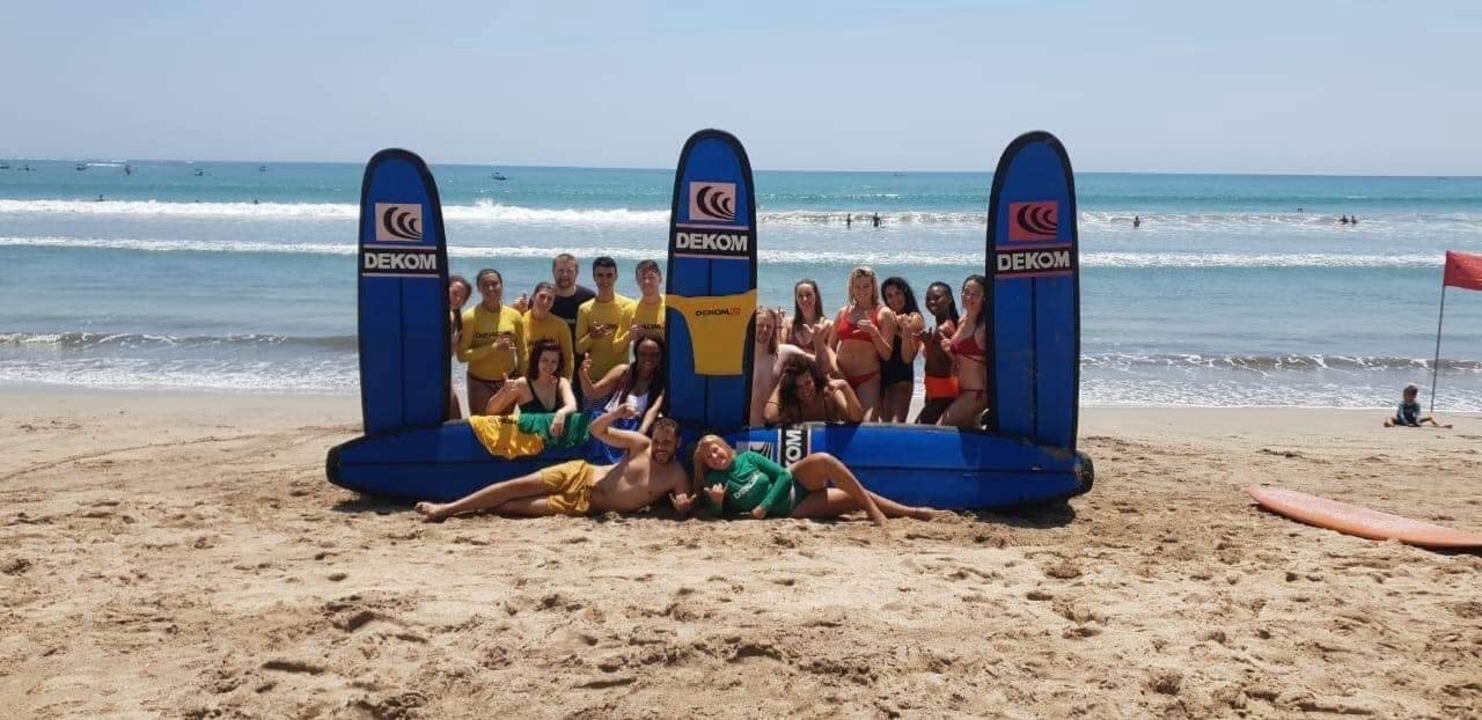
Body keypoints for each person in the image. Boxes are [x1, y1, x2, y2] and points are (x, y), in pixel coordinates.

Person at [414, 412, 691, 521]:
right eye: (659, 441)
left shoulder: (677, 474)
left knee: (509, 507)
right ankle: (446, 509)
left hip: (585, 506)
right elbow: (596, 430)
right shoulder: (641, 445)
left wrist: (682, 506)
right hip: (580, 473)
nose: (661, 447)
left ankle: (473, 508)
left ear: (677, 443)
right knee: (514, 487)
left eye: (667, 442)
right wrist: (617, 414)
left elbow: (683, 503)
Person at [691, 437, 937, 524]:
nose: (714, 457)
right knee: (854, 498)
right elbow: (717, 516)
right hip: (794, 508)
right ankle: (913, 513)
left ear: (725, 447)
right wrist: (716, 503)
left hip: (795, 484)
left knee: (824, 459)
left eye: (716, 450)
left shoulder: (749, 457)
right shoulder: (713, 479)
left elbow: (784, 475)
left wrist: (764, 506)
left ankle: (876, 512)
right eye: (708, 456)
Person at [582, 334, 667, 463]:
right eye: (643, 353)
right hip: (608, 428)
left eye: (654, 354)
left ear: (661, 356)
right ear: (636, 354)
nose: (648, 358)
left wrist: (640, 435)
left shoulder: (662, 382)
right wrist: (582, 374)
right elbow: (593, 393)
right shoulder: (623, 371)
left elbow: (653, 410)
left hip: (633, 432)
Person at [458, 269, 525, 416]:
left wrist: (521, 377)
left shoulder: (514, 316)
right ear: (479, 289)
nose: (491, 288)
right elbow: (462, 356)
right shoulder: (470, 317)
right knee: (482, 429)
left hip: (508, 381)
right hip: (480, 383)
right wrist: (493, 347)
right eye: (485, 285)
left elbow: (522, 351)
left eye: (495, 284)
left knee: (504, 429)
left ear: (501, 285)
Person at [832, 266, 896, 420]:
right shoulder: (843, 312)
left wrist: (874, 332)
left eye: (866, 286)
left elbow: (886, 355)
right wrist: (836, 372)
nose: (862, 290)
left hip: (867, 379)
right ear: (851, 288)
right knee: (842, 423)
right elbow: (830, 347)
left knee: (867, 424)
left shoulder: (884, 313)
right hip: (841, 375)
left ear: (874, 287)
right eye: (857, 286)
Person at [576, 256, 635, 411]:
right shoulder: (585, 309)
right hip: (595, 379)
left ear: (616, 276)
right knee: (592, 428)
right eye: (600, 275)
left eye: (609, 275)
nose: (605, 280)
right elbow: (579, 348)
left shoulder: (628, 306)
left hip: (621, 379)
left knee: (619, 429)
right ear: (594, 277)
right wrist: (592, 336)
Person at [485, 339, 579, 434]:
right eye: (545, 360)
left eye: (554, 362)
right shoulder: (522, 384)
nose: (549, 365)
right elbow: (490, 411)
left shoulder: (562, 382)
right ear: (536, 360)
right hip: (529, 443)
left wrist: (561, 413)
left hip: (555, 442)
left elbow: (572, 405)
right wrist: (504, 392)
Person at [749, 307, 821, 426]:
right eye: (760, 325)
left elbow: (819, 362)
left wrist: (818, 342)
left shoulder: (784, 353)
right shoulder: (742, 358)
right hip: (748, 428)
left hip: (775, 427)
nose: (765, 329)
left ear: (773, 329)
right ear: (752, 326)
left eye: (769, 326)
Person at [937, 275, 990, 428]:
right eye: (966, 292)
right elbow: (961, 359)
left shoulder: (984, 326)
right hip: (961, 390)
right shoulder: (962, 320)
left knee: (941, 429)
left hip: (976, 393)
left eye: (976, 294)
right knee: (969, 438)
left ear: (984, 297)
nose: (969, 297)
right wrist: (948, 349)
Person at [764, 357, 863, 425]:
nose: (805, 390)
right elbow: (769, 417)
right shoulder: (793, 405)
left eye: (808, 383)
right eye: (798, 387)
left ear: (814, 380)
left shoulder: (829, 394)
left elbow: (856, 418)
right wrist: (781, 383)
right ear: (793, 389)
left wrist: (844, 386)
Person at [915, 281, 960, 425]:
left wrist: (928, 345)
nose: (932, 302)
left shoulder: (943, 329)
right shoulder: (946, 325)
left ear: (949, 299)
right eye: (928, 299)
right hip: (935, 388)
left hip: (943, 391)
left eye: (937, 297)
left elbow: (944, 364)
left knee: (919, 432)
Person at [880, 277, 923, 423]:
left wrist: (904, 330)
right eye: (889, 296)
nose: (894, 299)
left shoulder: (914, 318)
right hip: (881, 377)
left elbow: (908, 358)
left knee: (895, 425)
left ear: (905, 293)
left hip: (901, 378)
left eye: (898, 293)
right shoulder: (885, 316)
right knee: (883, 425)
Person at [520, 282, 575, 382]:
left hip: (551, 380)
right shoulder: (520, 322)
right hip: (525, 381)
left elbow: (568, 357)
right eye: (542, 296)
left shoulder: (560, 325)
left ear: (553, 302)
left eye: (550, 299)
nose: (545, 301)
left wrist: (567, 382)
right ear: (533, 297)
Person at [446, 275, 473, 420]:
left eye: (461, 298)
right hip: (425, 374)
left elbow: (448, 354)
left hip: (441, 374)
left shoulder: (453, 320)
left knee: (455, 414)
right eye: (454, 293)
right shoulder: (429, 315)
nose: (457, 299)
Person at [782, 279, 830, 354]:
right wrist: (777, 324)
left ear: (816, 296)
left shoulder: (827, 325)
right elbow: (780, 351)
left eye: (808, 295)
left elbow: (831, 357)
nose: (804, 299)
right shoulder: (788, 323)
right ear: (796, 299)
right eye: (800, 296)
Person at [628, 259, 666, 342]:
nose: (647, 281)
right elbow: (615, 348)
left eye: (651, 277)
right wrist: (629, 335)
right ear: (637, 281)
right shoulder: (630, 309)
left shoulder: (671, 306)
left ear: (660, 279)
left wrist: (647, 335)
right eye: (643, 278)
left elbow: (680, 342)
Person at [1384, 384, 1451, 428]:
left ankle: (1439, 425)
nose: (1403, 396)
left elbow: (1418, 414)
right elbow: (1401, 414)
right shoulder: (1402, 403)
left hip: (1412, 419)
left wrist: (1417, 422)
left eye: (1405, 394)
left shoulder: (1416, 404)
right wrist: (1406, 423)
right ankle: (1390, 424)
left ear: (1413, 396)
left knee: (1429, 418)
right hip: (1401, 420)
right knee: (1390, 417)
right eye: (1403, 394)